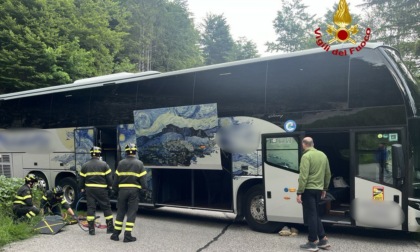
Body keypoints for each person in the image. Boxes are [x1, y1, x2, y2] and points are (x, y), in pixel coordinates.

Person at [296, 137, 331, 251]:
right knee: (315, 214)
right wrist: (324, 188)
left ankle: (312, 241)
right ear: (313, 144)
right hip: (318, 189)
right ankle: (323, 239)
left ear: (303, 144)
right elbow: (328, 174)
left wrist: (299, 191)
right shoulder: (323, 155)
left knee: (311, 215)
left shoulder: (306, 156)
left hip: (308, 189)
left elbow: (303, 176)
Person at [110, 143, 147, 243]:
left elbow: (116, 178)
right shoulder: (139, 164)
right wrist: (144, 190)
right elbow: (143, 179)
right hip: (134, 192)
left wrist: (114, 190)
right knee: (131, 213)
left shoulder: (121, 163)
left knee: (120, 212)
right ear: (135, 151)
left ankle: (115, 234)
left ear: (126, 152)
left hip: (122, 191)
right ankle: (127, 236)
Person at [79, 146, 114, 235]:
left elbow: (81, 179)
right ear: (99, 154)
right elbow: (109, 179)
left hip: (90, 190)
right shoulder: (104, 165)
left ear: (91, 154)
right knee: (106, 207)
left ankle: (91, 229)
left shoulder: (85, 165)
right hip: (102, 190)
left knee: (91, 208)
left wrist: (82, 188)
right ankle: (110, 228)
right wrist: (110, 187)